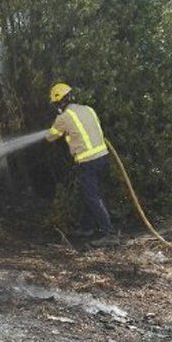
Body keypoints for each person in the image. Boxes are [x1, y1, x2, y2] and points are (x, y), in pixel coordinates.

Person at [45, 83, 118, 246]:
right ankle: (87, 228)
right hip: (103, 158)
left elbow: (51, 137)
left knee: (92, 196)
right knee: (89, 193)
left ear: (59, 103)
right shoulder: (88, 109)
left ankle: (110, 233)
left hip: (88, 162)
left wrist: (45, 133)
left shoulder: (63, 117)